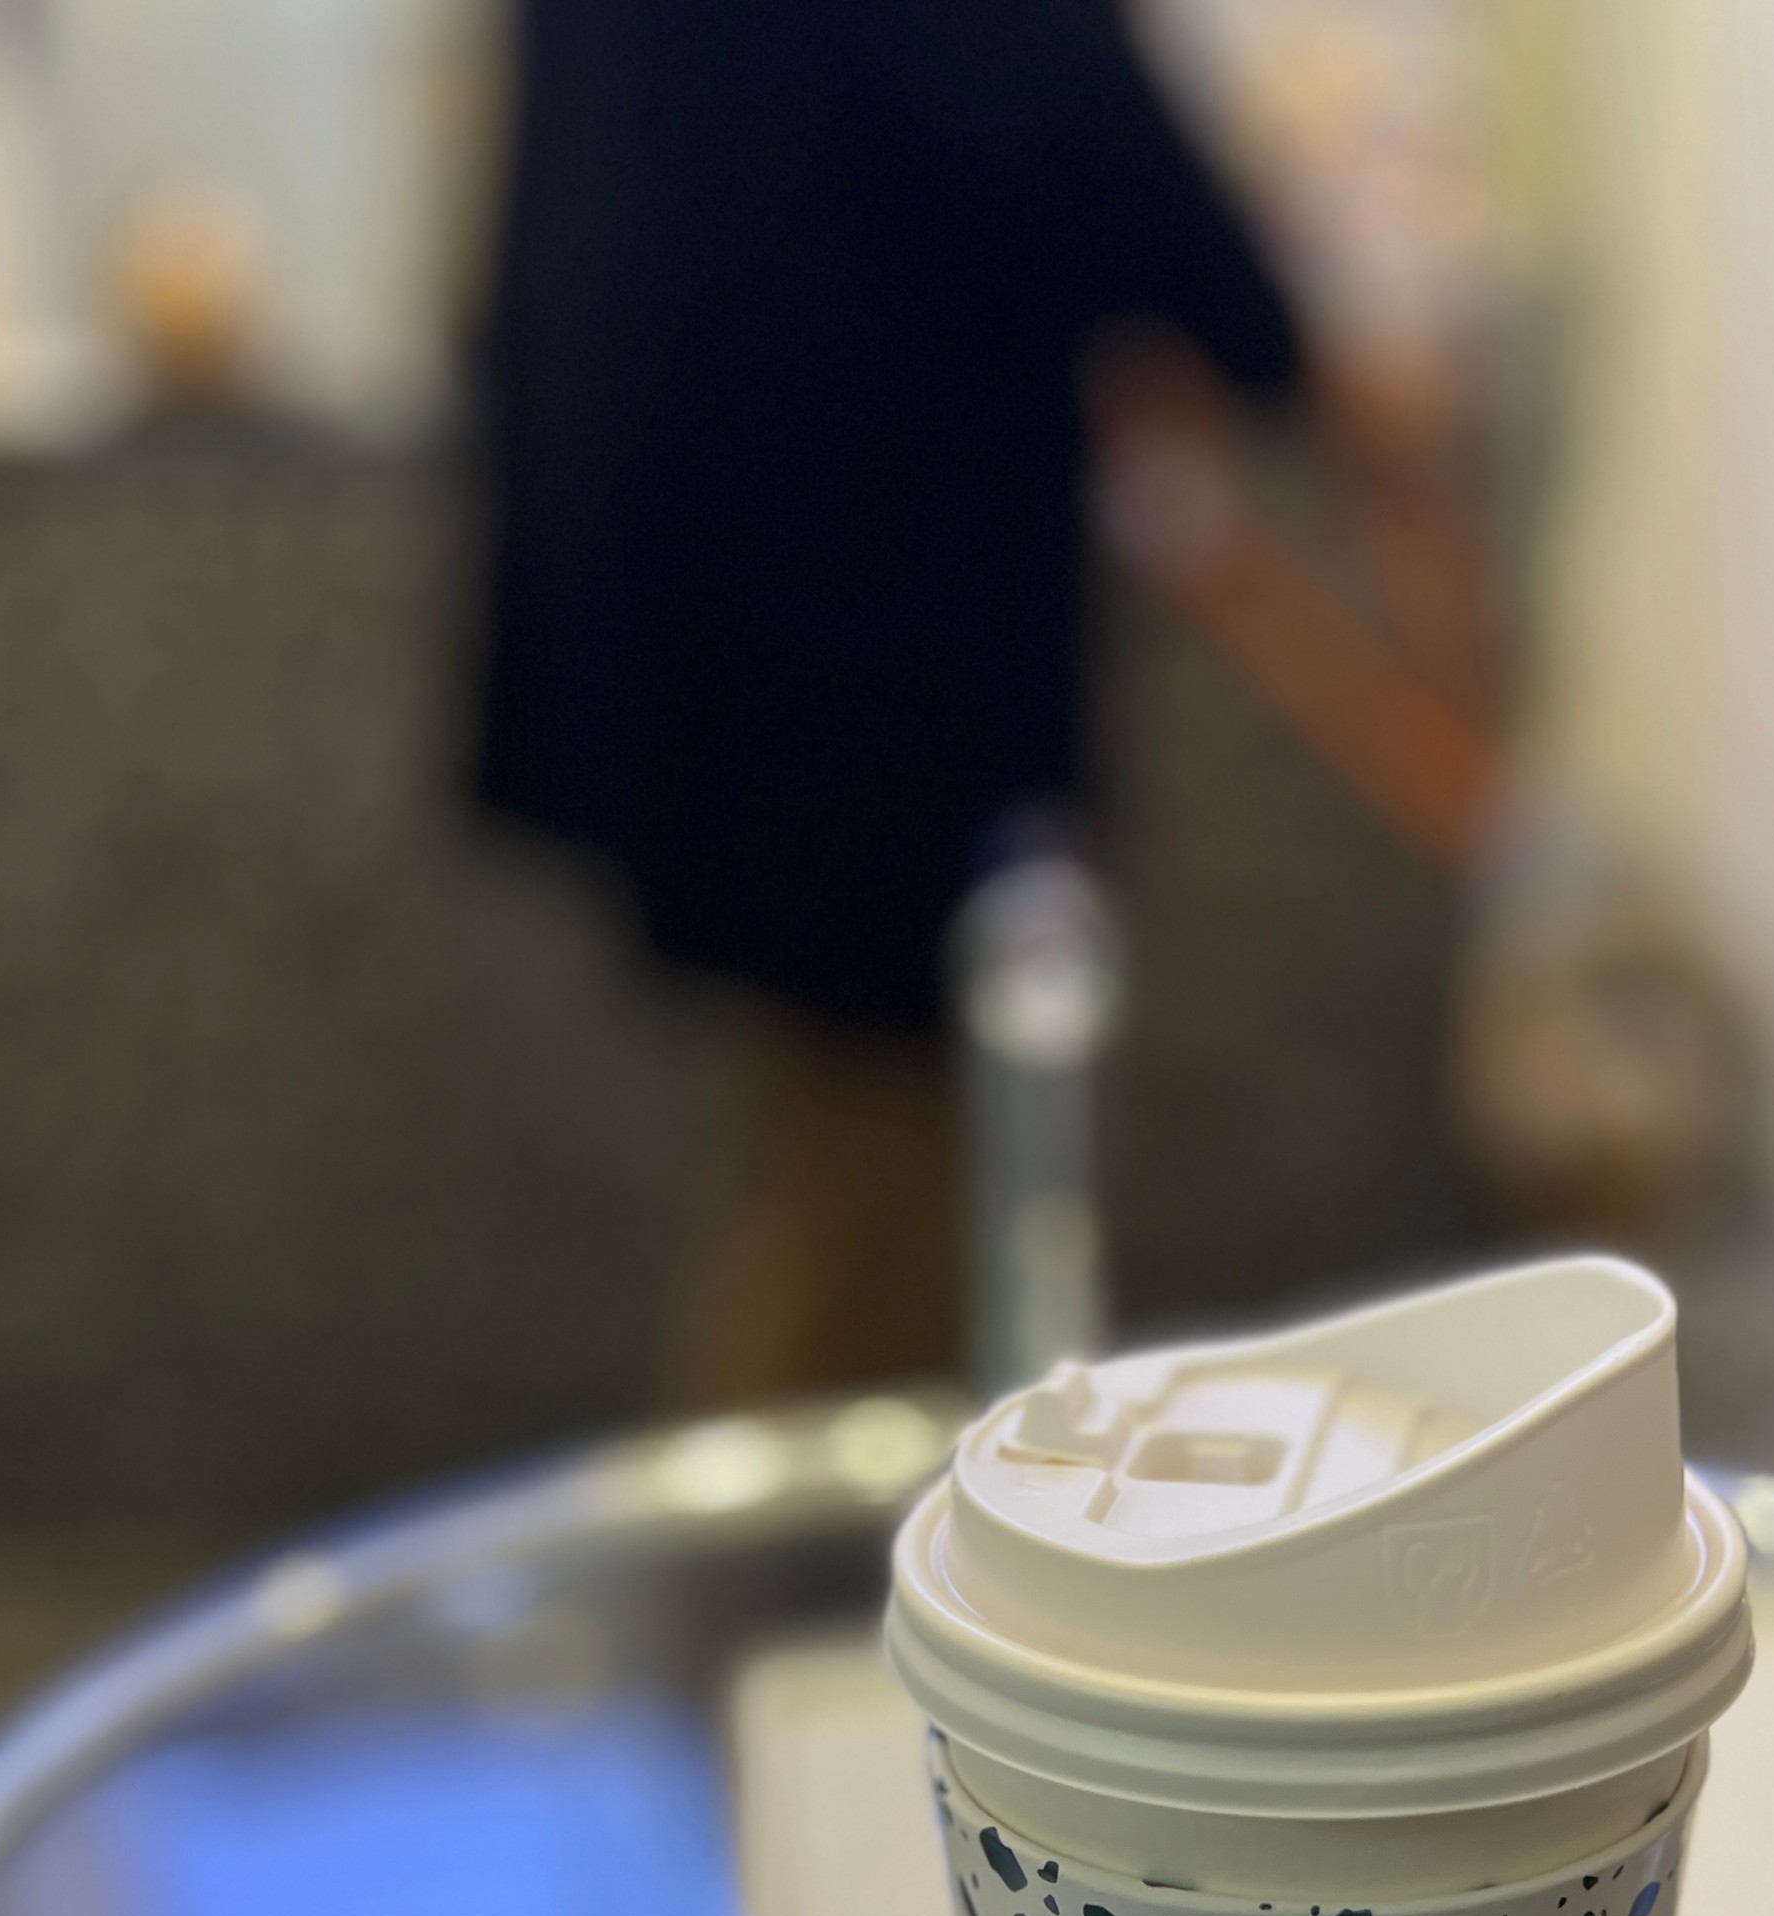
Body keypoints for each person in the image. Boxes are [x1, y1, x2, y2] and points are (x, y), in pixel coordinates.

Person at [476, 0, 1302, 1404]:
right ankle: (819, 1552)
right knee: (876, 1215)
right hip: (855, 593)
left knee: (857, 1182)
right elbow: (1049, 101)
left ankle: (828, 1534)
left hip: (747, 548)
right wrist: (1265, 327)